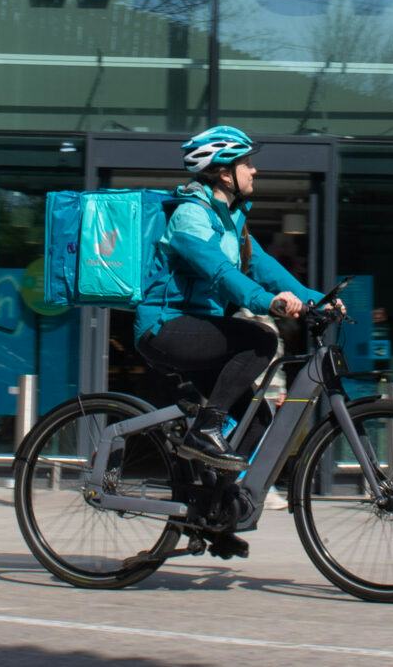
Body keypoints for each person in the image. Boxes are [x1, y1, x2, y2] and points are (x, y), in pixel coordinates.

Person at [135, 126, 326, 485]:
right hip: (165, 327)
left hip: (200, 330)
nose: (254, 171)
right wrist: (267, 302)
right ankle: (206, 428)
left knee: (257, 421)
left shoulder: (231, 222)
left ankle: (212, 522)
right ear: (224, 173)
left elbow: (264, 267)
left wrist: (318, 300)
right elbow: (220, 272)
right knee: (260, 339)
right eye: (247, 163)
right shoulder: (189, 216)